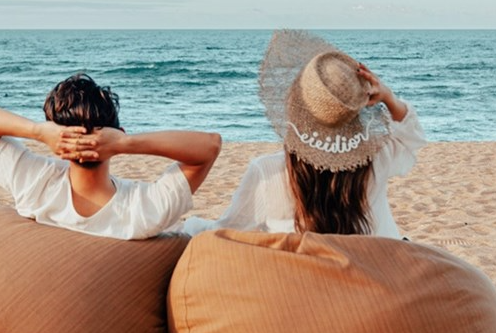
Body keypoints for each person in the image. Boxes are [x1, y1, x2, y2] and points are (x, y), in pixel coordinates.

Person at [181, 30, 426, 239]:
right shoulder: (376, 160)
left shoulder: (268, 172)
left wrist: (190, 226)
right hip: (375, 277)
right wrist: (389, 97)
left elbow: (227, 231)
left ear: (294, 108)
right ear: (354, 115)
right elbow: (410, 137)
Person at [0, 73, 221, 240]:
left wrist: (38, 132)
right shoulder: (144, 209)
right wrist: (125, 143)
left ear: (57, 138)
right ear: (118, 131)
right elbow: (210, 146)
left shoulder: (35, 184)